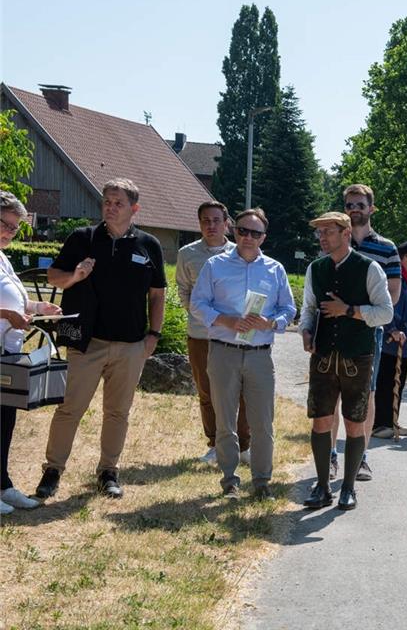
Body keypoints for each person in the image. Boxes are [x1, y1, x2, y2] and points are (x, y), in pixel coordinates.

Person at [35, 178, 166, 500]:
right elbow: (54, 277)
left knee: (118, 412)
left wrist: (154, 335)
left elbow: (158, 295)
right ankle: (53, 470)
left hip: (132, 344)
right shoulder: (83, 238)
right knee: (70, 409)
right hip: (87, 342)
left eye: (118, 202)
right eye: (107, 201)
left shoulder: (148, 244)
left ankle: (108, 471)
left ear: (134, 209)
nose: (110, 207)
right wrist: (76, 274)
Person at [190, 208, 295, 500]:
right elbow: (198, 304)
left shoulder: (275, 269)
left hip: (260, 354)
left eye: (255, 233)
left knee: (262, 422)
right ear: (234, 231)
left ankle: (261, 481)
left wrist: (272, 323)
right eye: (242, 230)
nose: (248, 237)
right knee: (225, 420)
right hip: (223, 352)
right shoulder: (215, 265)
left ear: (264, 237)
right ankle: (230, 480)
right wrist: (226, 320)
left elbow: (289, 309)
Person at [301, 212, 392, 511]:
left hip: (358, 355)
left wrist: (349, 310)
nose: (322, 237)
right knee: (321, 420)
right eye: (319, 233)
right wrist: (305, 330)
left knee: (354, 422)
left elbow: (385, 314)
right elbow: (309, 308)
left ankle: (348, 489)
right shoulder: (316, 268)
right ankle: (323, 486)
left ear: (346, 233)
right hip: (324, 355)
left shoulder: (370, 269)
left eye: (328, 231)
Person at [176, 201, 250, 467]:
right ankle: (215, 445)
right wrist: (205, 317)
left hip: (235, 336)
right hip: (201, 335)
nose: (211, 225)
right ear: (199, 224)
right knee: (207, 392)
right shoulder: (187, 254)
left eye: (216, 220)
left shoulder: (241, 251)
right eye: (205, 220)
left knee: (241, 391)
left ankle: (244, 445)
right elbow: (184, 291)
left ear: (226, 223)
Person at [0, 191, 61, 513]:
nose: (10, 233)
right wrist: (6, 315)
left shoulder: (3, 256)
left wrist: (38, 307)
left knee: (5, 419)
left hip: (8, 351)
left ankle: (3, 485)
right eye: (6, 225)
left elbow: (16, 300)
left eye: (15, 228)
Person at [371, 241, 407, 438]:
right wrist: (392, 329)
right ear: (406, 257)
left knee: (398, 383)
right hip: (391, 342)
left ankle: (392, 421)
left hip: (404, 342)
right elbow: (387, 307)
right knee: (386, 383)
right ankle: (378, 424)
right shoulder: (395, 278)